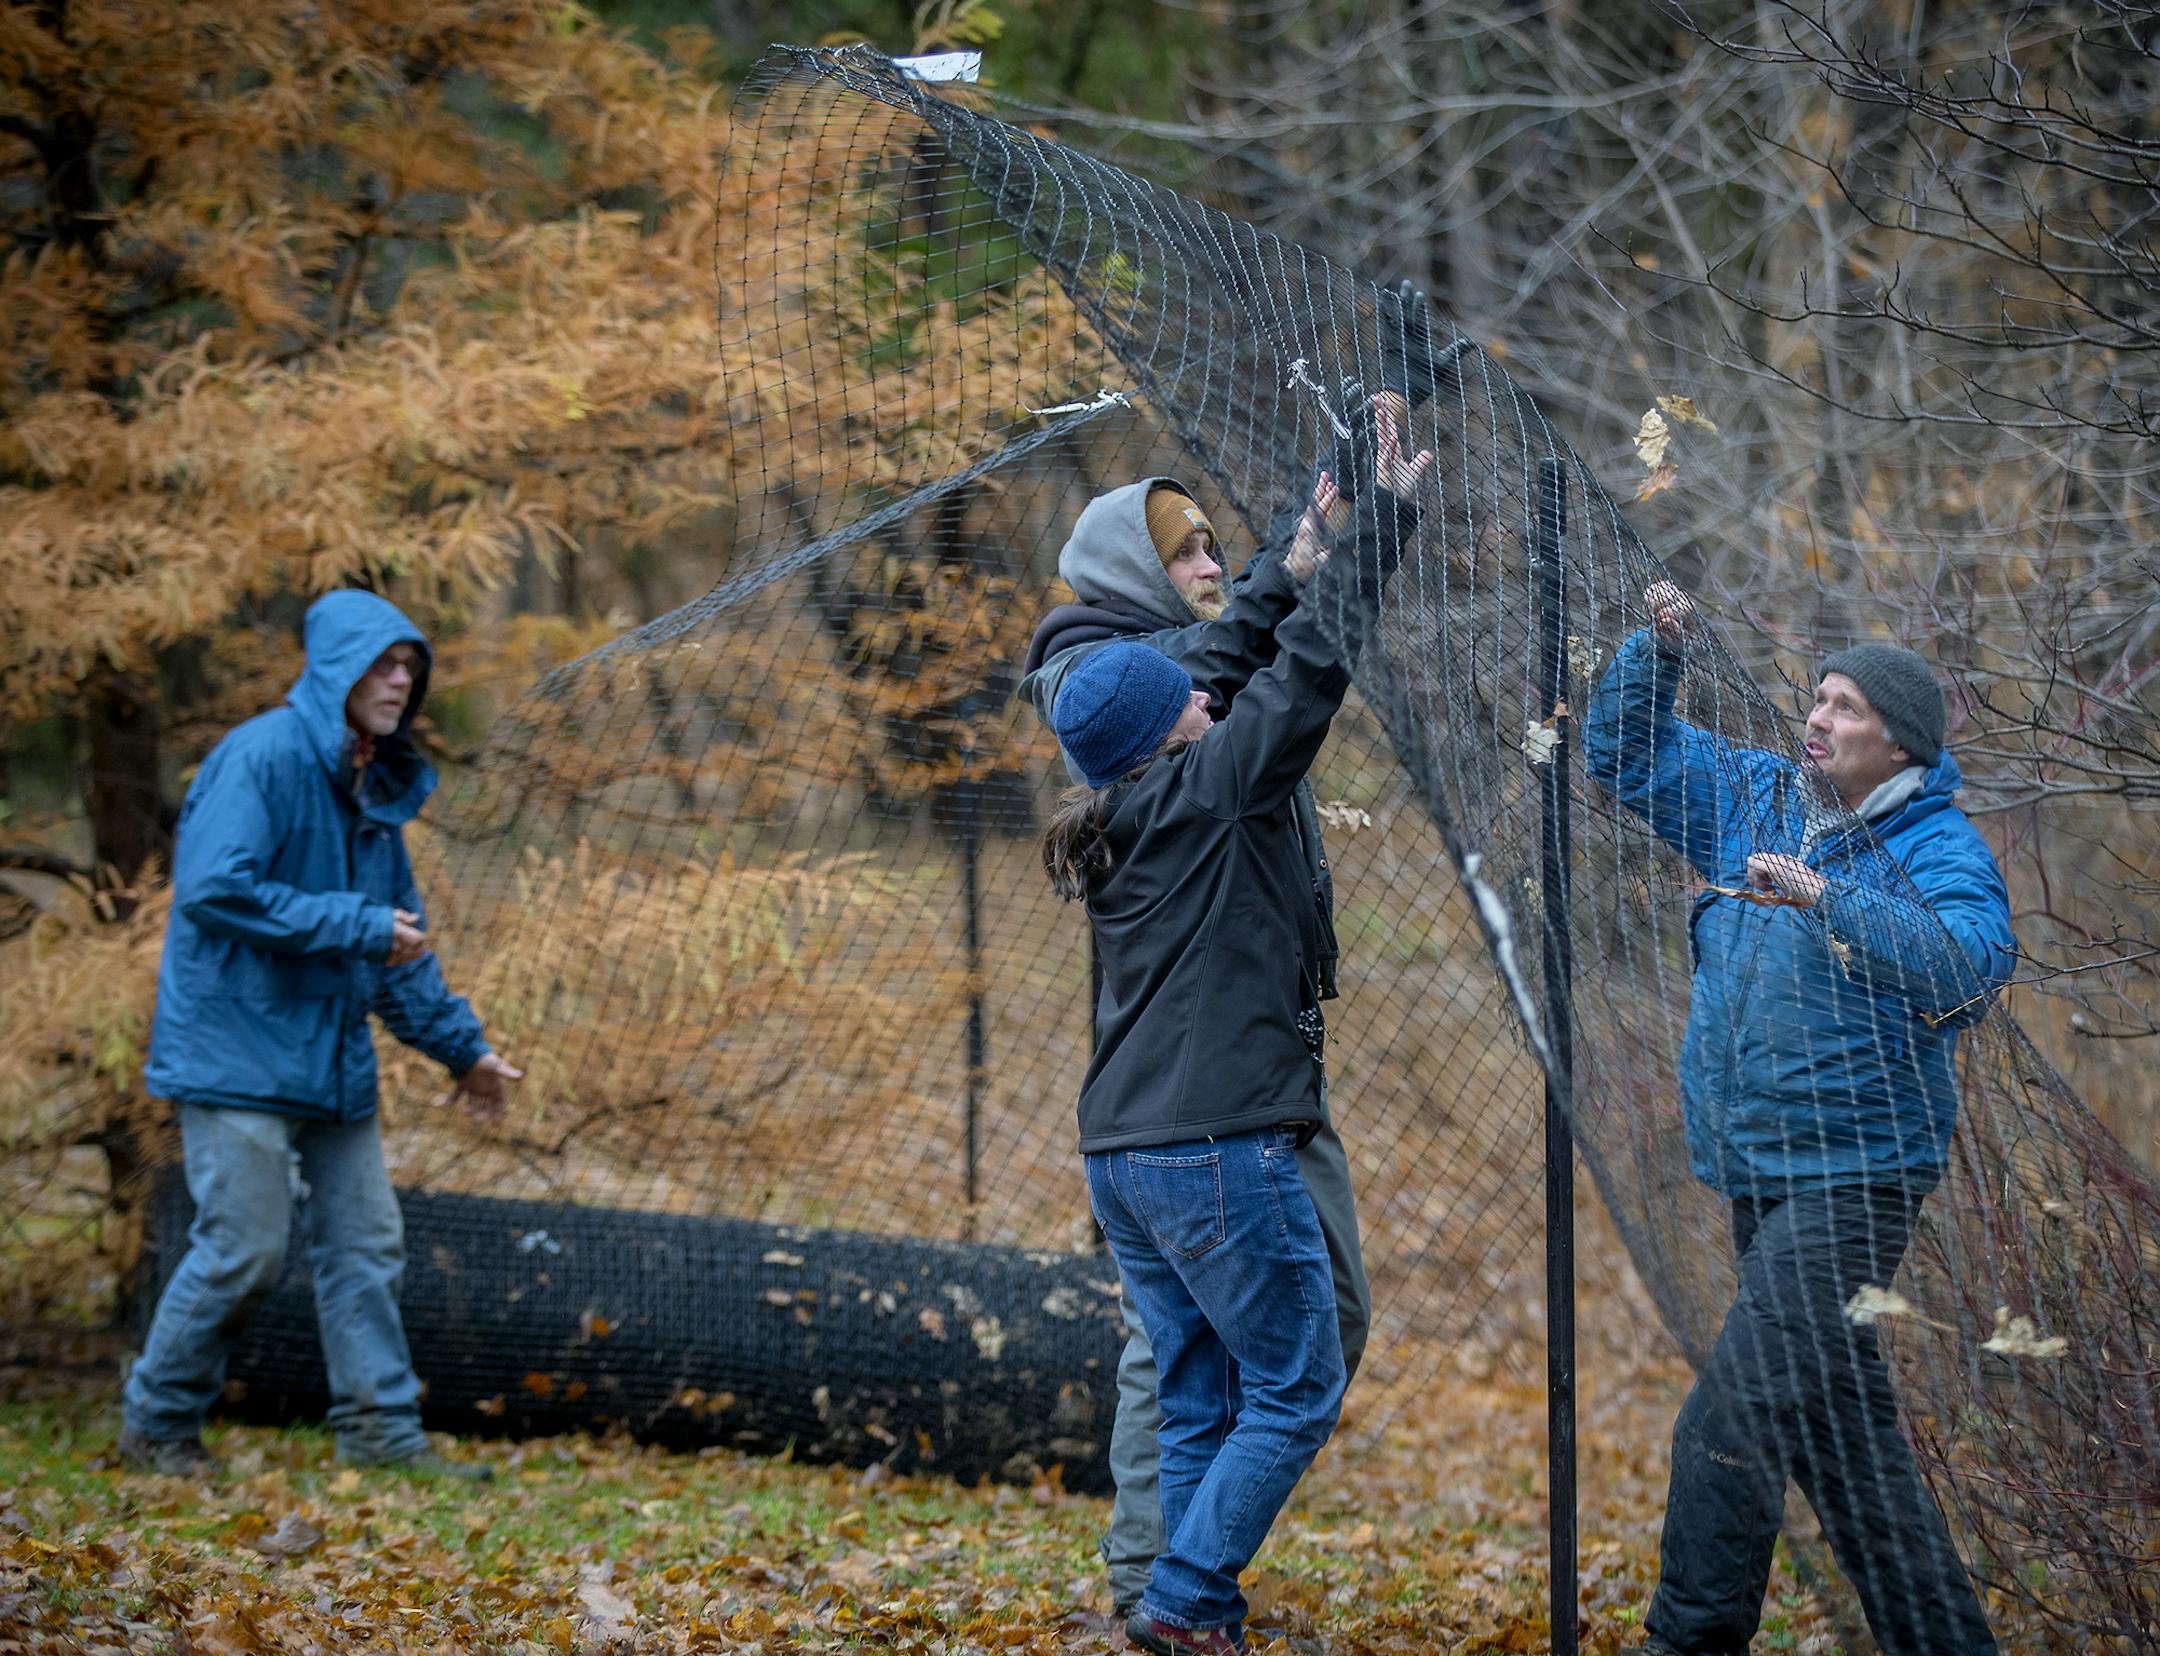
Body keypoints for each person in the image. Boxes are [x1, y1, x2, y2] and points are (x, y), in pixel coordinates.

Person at [1040, 407, 1429, 1656]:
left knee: (1202, 1383)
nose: (1212, 694)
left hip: (1123, 1155)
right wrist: (1389, 523)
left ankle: (1170, 1597)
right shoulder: (1215, 787)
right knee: (1296, 1383)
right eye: (1193, 695)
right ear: (1176, 719)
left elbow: (1227, 666)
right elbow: (1306, 671)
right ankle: (1184, 1600)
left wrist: (1312, 532)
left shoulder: (1126, 808)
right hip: (1219, 1142)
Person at [1583, 581, 2013, 1656]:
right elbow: (1622, 757)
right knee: (1854, 1463)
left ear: (1901, 745)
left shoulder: (1938, 848)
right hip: (1759, 1175)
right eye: (1817, 698)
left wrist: (1830, 903)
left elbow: (1966, 970)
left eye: (1846, 707)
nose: (1816, 718)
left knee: (1725, 1431)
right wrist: (1658, 648)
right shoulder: (1755, 796)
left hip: (1855, 1183)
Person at [118, 590, 522, 1480]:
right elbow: (216, 891)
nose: (401, 677)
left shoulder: (372, 779)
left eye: (410, 665)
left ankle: (381, 1435)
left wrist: (466, 1050)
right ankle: (155, 1423)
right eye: (382, 663)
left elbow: (399, 944)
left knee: (368, 1246)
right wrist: (357, 924)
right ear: (337, 668)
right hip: (235, 1056)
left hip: (330, 1061)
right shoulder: (259, 756)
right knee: (244, 1251)